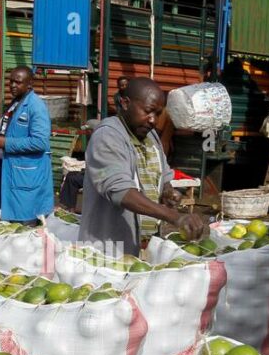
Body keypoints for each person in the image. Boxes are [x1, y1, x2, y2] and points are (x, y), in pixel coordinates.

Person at [80, 77, 207, 256]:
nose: (153, 120)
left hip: (139, 248)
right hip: (107, 250)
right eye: (148, 111)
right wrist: (175, 217)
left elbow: (163, 174)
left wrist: (167, 190)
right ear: (125, 103)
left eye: (158, 113)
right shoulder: (107, 137)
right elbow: (121, 191)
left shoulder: (150, 136)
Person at [0, 66, 54, 225]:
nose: (13, 85)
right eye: (11, 82)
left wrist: (6, 142)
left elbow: (40, 142)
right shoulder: (15, 103)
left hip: (27, 176)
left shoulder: (36, 106)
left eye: (18, 82)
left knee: (26, 224)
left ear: (29, 84)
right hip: (13, 171)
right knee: (14, 222)